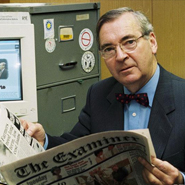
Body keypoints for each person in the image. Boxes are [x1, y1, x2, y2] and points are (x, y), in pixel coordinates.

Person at [21, 7, 185, 185]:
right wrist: (44, 140)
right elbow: (75, 147)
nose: (120, 56)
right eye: (109, 48)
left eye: (129, 42)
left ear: (152, 42)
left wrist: (181, 179)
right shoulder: (98, 93)